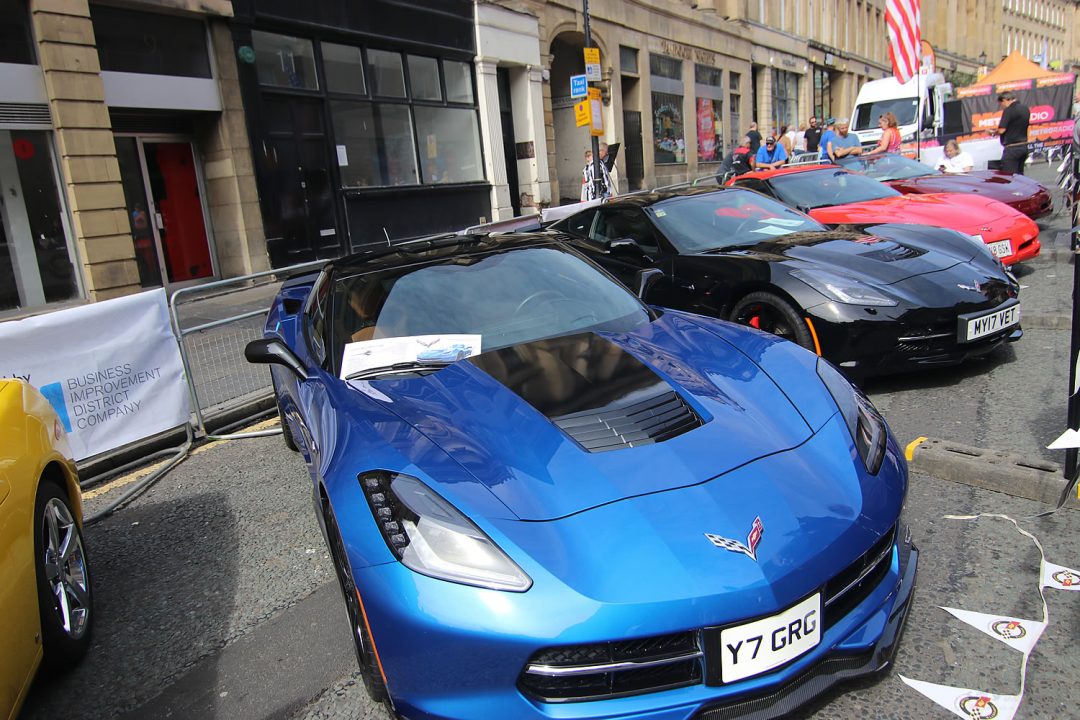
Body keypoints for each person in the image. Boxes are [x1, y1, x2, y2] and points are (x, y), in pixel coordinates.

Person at [991, 91, 1030, 175]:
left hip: (1012, 148)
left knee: (1009, 177)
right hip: (1024, 146)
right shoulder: (1025, 108)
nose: (1002, 107)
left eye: (1001, 104)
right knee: (1020, 176)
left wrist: (993, 132)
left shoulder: (1008, 111)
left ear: (1005, 100)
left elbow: (1002, 130)